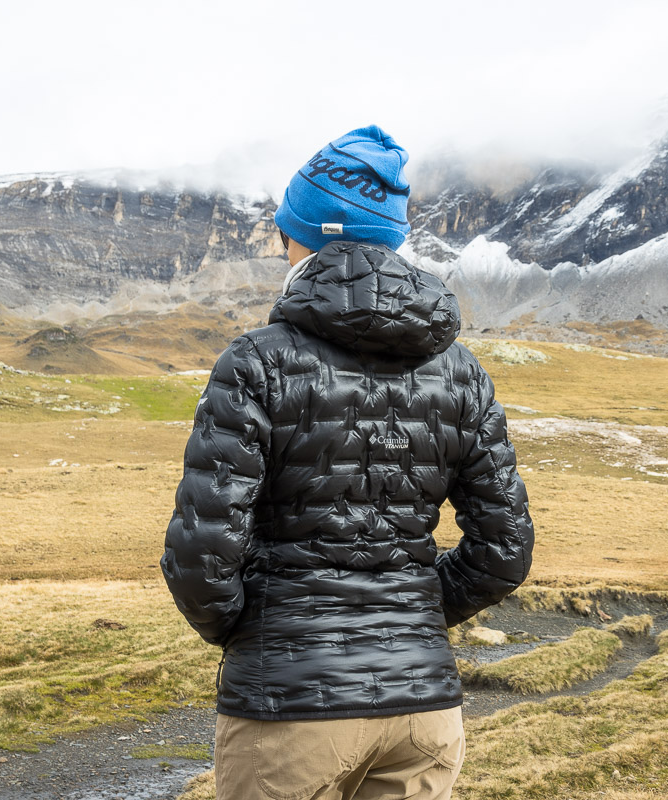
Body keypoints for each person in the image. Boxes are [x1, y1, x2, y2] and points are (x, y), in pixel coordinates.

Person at [161, 124, 535, 800]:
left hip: (288, 707)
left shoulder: (256, 362)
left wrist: (256, 629)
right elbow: (504, 551)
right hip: (424, 711)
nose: (280, 242)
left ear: (304, 235)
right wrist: (410, 614)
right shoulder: (462, 372)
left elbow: (201, 555)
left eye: (285, 228)